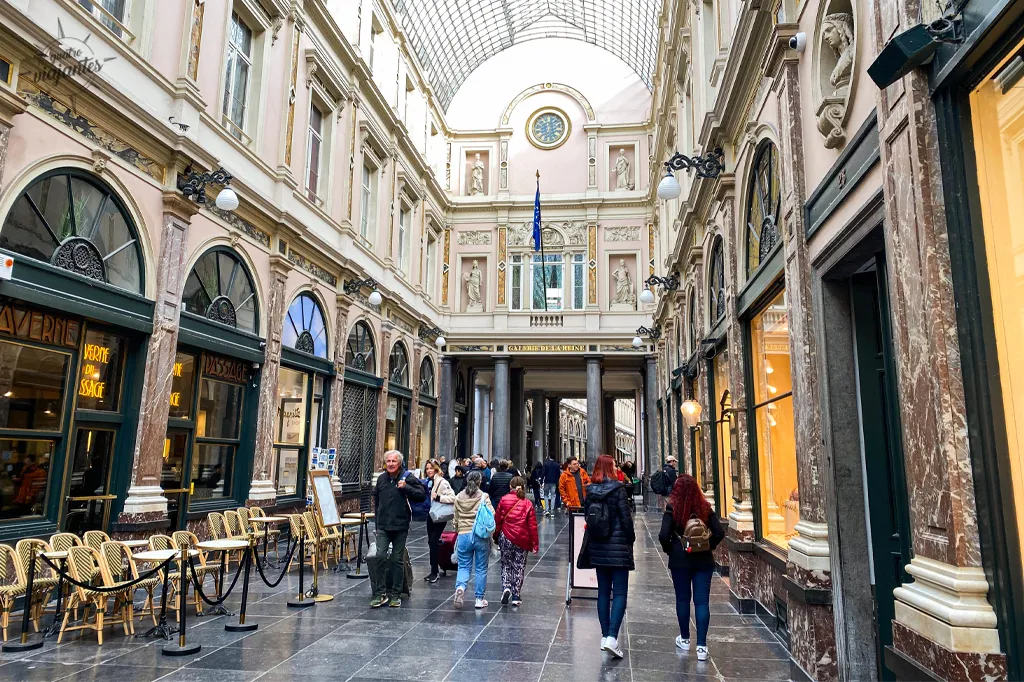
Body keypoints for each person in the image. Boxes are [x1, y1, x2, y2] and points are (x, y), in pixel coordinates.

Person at [659, 474, 725, 661]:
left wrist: (671, 550)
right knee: (702, 602)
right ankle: (702, 647)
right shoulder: (704, 507)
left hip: (680, 560)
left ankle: (685, 639)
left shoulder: (673, 508)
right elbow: (719, 532)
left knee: (682, 599)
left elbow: (663, 535)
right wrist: (708, 545)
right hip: (703, 560)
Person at [584, 454, 635, 659]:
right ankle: (613, 637)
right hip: (618, 547)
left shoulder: (590, 491)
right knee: (620, 592)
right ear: (609, 468)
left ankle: (605, 637)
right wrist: (630, 539)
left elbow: (588, 517)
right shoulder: (618, 489)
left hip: (598, 546)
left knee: (603, 592)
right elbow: (626, 519)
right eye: (613, 465)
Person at [371, 450, 427, 608]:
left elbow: (421, 495)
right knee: (380, 556)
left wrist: (406, 487)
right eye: (388, 461)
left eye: (393, 461)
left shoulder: (407, 478)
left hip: (401, 525)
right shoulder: (381, 479)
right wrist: (377, 523)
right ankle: (380, 593)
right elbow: (377, 501)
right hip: (383, 526)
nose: (390, 464)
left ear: (399, 463)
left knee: (396, 559)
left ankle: (395, 594)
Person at [493, 476, 539, 606]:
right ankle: (516, 595)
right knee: (519, 566)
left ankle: (506, 587)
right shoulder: (527, 503)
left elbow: (498, 520)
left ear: (510, 486)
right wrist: (535, 543)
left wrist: (496, 535)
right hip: (522, 538)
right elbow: (532, 525)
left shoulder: (504, 500)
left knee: (506, 563)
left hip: (506, 536)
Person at [453, 470, 493, 609]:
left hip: (463, 535)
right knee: (481, 568)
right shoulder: (483, 496)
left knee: (463, 566)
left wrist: (457, 529)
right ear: (480, 481)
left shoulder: (458, 497)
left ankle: (461, 588)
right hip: (480, 535)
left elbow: (455, 518)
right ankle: (479, 599)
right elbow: (491, 514)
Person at [424, 458, 456, 583]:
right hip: (430, 514)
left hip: (439, 516)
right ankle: (434, 569)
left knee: (433, 541)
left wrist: (438, 497)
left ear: (436, 469)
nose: (429, 471)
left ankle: (434, 571)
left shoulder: (441, 482)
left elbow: (453, 497)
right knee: (431, 542)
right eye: (427, 468)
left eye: (431, 468)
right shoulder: (428, 482)